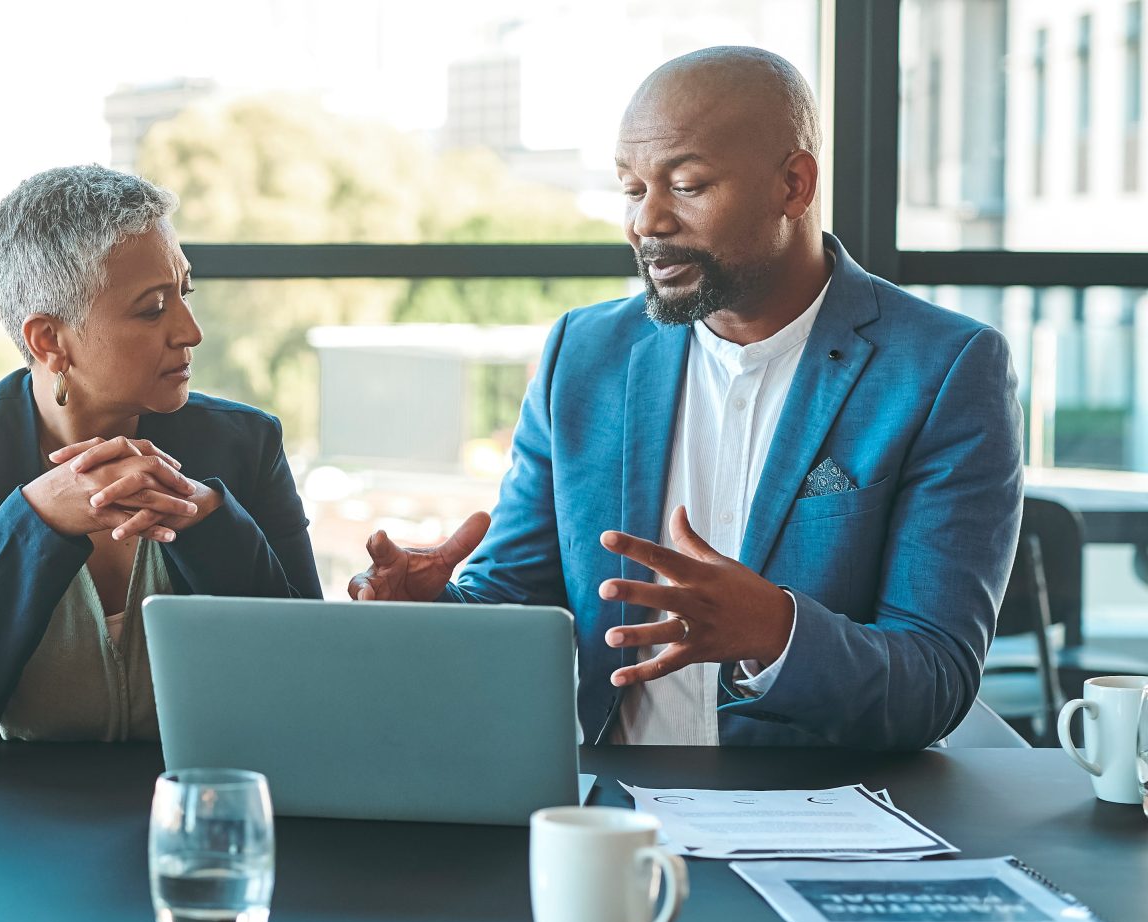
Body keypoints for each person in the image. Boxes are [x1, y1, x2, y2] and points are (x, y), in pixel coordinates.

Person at [349, 47, 1023, 749]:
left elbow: (937, 678)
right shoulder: (581, 355)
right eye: (632, 189)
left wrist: (777, 631)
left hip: (819, 817)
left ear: (794, 185)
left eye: (688, 185)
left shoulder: (945, 368)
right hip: (607, 810)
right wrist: (431, 613)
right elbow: (515, 604)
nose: (647, 222)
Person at [0, 165, 321, 757]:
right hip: (2, 826)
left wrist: (211, 520)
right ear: (49, 341)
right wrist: (36, 521)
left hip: (201, 807)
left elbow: (308, 680)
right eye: (152, 309)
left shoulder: (247, 444)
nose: (190, 332)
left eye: (183, 294)